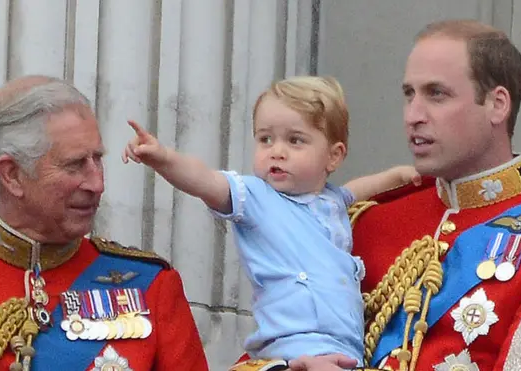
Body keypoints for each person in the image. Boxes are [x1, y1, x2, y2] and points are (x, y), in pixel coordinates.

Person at [314, 19, 521, 371]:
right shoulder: (364, 223)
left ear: (497, 104)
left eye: (437, 94)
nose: (413, 116)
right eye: (409, 94)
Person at [0, 75, 209, 370]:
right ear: (12, 174)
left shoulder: (151, 286)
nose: (97, 183)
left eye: (98, 159)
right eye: (74, 164)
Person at [122, 75, 420, 369]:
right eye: (265, 139)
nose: (277, 151)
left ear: (333, 156)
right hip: (293, 348)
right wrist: (162, 158)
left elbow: (358, 189)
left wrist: (398, 177)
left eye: (295, 140)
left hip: (345, 350)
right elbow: (204, 180)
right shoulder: (255, 196)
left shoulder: (333, 201)